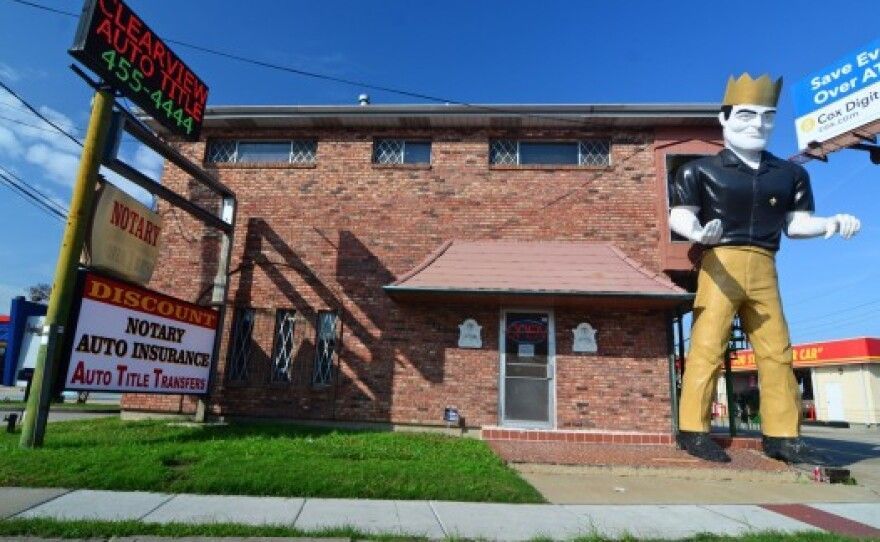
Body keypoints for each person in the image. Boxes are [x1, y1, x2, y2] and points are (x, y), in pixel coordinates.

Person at [669, 74, 860, 464]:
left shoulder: (790, 174)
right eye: (746, 116)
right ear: (724, 119)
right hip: (719, 261)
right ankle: (693, 429)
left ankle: (783, 436)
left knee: (777, 351)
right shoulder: (699, 170)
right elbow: (679, 216)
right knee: (707, 346)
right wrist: (699, 233)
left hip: (765, 263)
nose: (757, 125)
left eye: (766, 118)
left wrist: (831, 223)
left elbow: (795, 224)